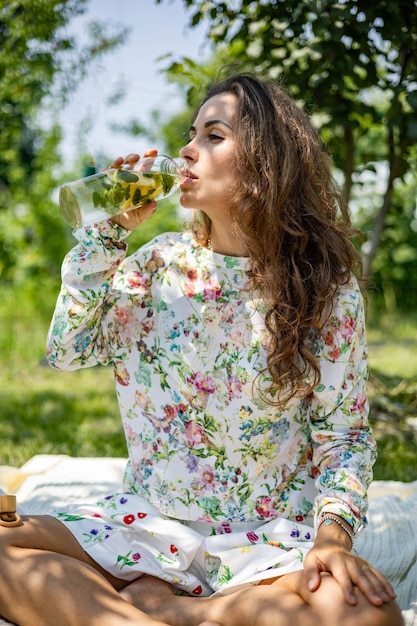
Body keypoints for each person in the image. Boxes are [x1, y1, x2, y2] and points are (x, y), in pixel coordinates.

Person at [0, 73, 404, 626]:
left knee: (368, 614)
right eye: (191, 134)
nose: (186, 149)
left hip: (265, 547)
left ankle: (170, 612)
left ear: (266, 166)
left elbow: (344, 441)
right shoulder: (156, 265)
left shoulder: (325, 290)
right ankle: (173, 611)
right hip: (147, 530)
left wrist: (331, 540)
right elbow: (69, 351)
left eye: (213, 136)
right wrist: (107, 235)